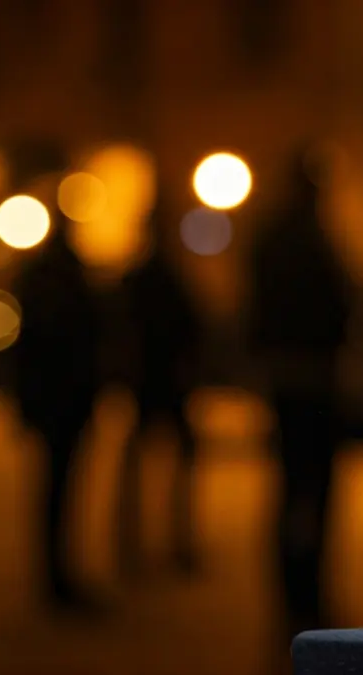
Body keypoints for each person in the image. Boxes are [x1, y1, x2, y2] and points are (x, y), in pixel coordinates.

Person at [246, 149, 351, 641]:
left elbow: (253, 310)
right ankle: (306, 588)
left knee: (291, 488)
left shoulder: (272, 240)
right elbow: (340, 305)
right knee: (313, 489)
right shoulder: (314, 241)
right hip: (314, 380)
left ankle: (292, 589)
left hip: (285, 379)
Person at [11, 212, 104, 610]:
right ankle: (56, 576)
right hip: (65, 398)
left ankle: (54, 572)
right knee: (58, 488)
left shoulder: (39, 276)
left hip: (55, 398)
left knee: (55, 489)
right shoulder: (65, 278)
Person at [115, 190, 205, 578]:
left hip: (154, 380)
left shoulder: (141, 277)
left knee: (148, 466)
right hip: (163, 380)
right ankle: (163, 543)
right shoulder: (166, 276)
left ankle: (139, 544)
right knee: (172, 466)